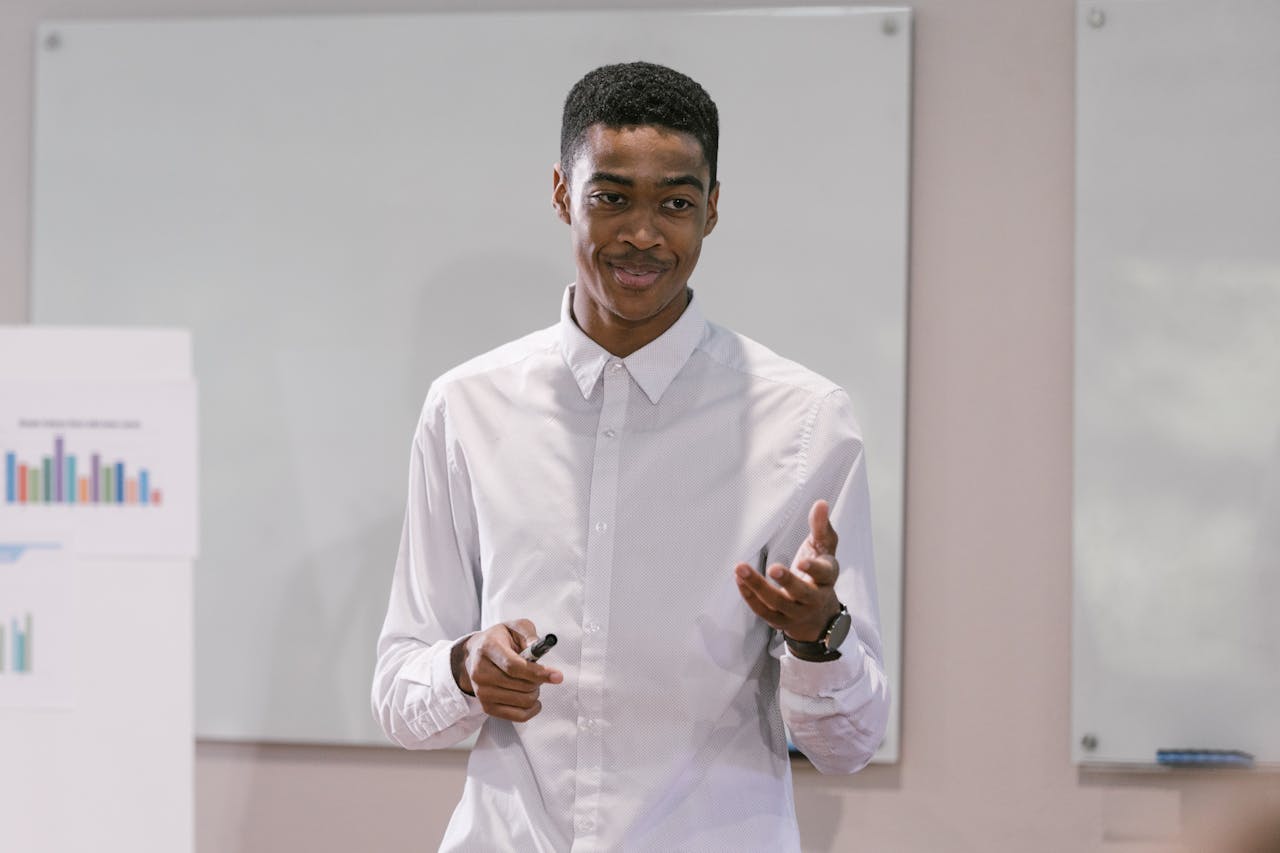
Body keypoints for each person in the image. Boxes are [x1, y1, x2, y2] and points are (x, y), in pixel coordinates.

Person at [372, 61, 890, 852]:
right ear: (560, 194)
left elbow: (849, 743)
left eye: (675, 203)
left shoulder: (803, 422)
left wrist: (821, 637)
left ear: (712, 210)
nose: (643, 234)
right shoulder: (464, 408)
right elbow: (399, 686)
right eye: (610, 197)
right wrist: (463, 664)